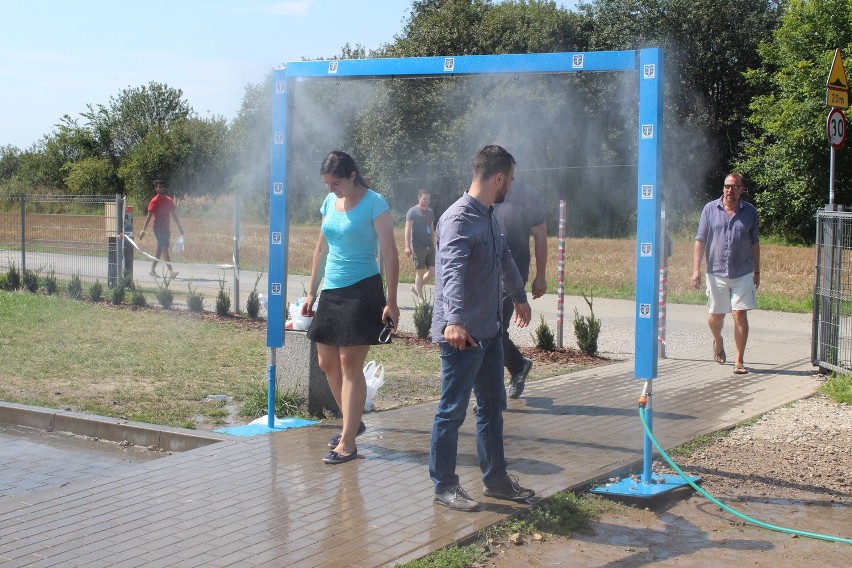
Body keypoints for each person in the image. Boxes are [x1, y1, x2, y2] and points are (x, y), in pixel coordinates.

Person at [429, 145, 535, 511]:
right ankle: (444, 485)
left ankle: (496, 480)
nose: (511, 187)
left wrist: (519, 297)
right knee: (452, 411)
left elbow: (504, 257)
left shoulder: (488, 214)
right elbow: (451, 274)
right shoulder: (458, 218)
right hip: (462, 336)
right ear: (499, 178)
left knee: (492, 406)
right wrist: (454, 322)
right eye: (511, 180)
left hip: (489, 332)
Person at [302, 150, 400, 465]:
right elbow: (321, 248)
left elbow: (390, 254)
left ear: (352, 175)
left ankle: (348, 442)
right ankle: (353, 421)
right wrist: (311, 292)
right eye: (328, 184)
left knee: (349, 364)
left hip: (363, 290)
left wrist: (392, 301)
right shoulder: (330, 202)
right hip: (332, 290)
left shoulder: (375, 203)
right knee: (326, 362)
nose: (331, 189)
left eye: (336, 183)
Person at [691, 172, 760, 375]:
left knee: (739, 314)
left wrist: (757, 271)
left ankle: (739, 360)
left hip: (743, 271)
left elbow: (755, 242)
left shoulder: (750, 211)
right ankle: (718, 341)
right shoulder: (710, 209)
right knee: (716, 315)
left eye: (735, 187)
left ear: (742, 189)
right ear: (723, 188)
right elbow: (700, 239)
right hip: (716, 271)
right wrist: (696, 270)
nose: (730, 190)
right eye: (727, 186)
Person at [493, 178, 548, 398]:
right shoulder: (485, 191)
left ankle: (492, 395)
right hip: (487, 272)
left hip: (513, 273)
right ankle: (518, 366)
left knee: (495, 331)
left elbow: (541, 236)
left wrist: (540, 277)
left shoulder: (528, 196)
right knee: (489, 331)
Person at [138, 179, 184, 278]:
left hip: (166, 229)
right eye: (160, 187)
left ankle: (152, 270)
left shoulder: (169, 200)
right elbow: (149, 216)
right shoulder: (154, 201)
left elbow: (174, 215)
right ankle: (171, 272)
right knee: (164, 249)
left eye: (163, 186)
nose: (162, 188)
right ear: (156, 189)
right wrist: (143, 230)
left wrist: (180, 227)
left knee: (160, 250)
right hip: (158, 229)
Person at [404, 189, 435, 301]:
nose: (426, 201)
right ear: (419, 198)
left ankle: (417, 288)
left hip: (429, 246)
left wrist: (433, 242)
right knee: (420, 271)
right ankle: (420, 299)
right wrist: (407, 246)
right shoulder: (412, 211)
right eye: (424, 198)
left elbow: (431, 228)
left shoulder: (431, 211)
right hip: (418, 246)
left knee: (433, 271)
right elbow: (407, 229)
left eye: (428, 199)